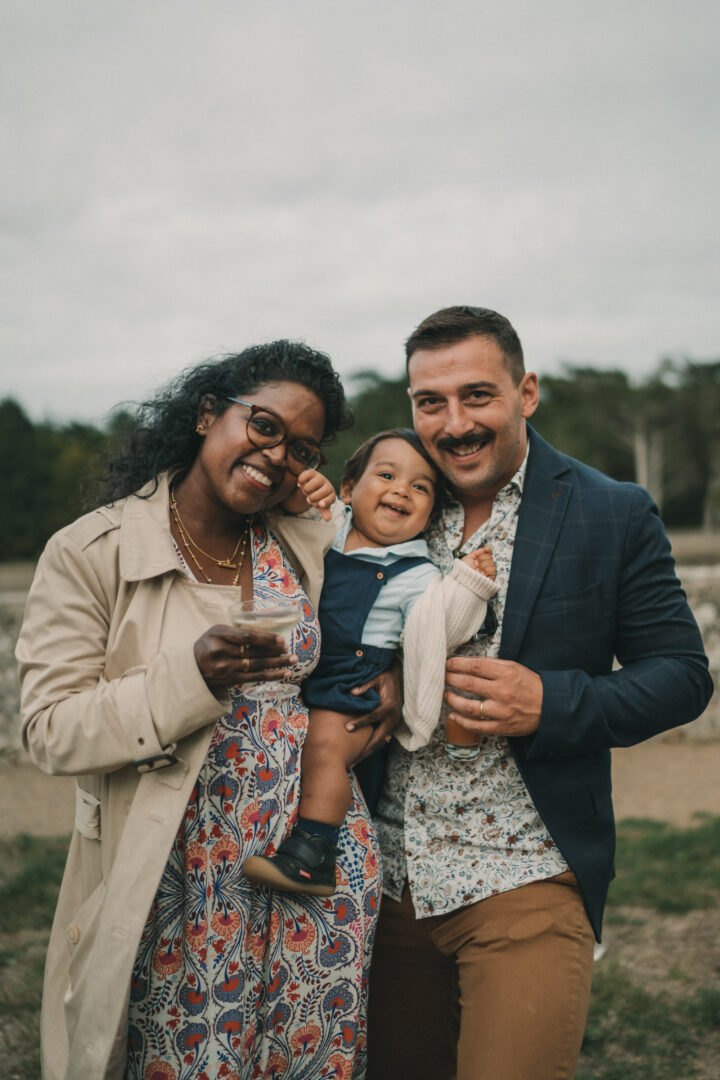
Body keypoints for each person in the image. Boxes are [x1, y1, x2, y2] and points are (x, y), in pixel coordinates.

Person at [16, 341, 392, 1080]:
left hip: (313, 867)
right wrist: (189, 676)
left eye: (302, 448)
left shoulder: (302, 542)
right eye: (265, 427)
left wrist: (382, 694)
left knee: (310, 1061)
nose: (278, 456)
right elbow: (49, 730)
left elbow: (369, 633)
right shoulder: (92, 552)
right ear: (207, 414)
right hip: (181, 882)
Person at [367, 306, 714, 1080]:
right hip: (383, 883)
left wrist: (551, 704)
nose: (454, 424)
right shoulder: (390, 507)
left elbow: (684, 677)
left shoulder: (612, 510)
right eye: (431, 402)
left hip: (526, 872)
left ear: (526, 392)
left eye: (477, 395)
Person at [241, 429, 499, 896]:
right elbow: (287, 520)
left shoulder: (416, 572)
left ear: (430, 515)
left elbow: (443, 626)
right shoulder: (330, 529)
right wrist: (310, 493)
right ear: (348, 489)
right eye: (386, 474)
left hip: (353, 687)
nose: (402, 489)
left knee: (325, 751)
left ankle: (313, 854)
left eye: (420, 488)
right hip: (303, 673)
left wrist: (468, 585)